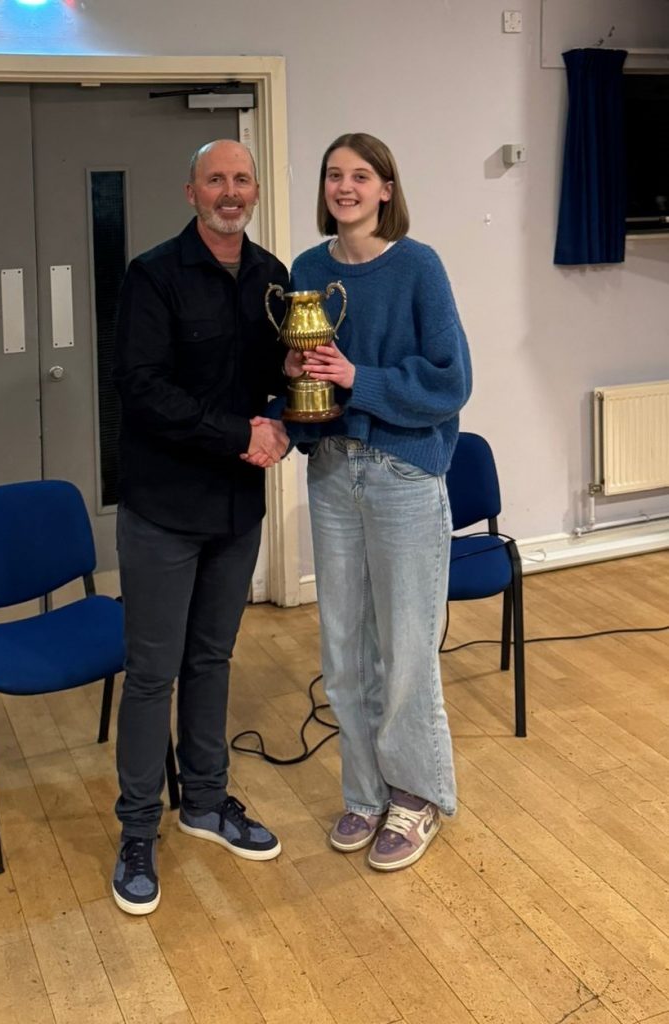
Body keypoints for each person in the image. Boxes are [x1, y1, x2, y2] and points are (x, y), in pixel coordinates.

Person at [111, 139, 290, 915]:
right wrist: (240, 435)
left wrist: (286, 422)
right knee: (153, 674)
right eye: (215, 179)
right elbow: (142, 390)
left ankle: (206, 803)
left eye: (241, 179)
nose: (230, 191)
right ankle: (137, 831)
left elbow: (289, 373)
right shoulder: (152, 275)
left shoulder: (274, 278)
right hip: (162, 508)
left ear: (253, 191)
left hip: (234, 507)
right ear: (191, 191)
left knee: (213, 659)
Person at [285, 132, 471, 871]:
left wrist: (358, 377)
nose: (345, 187)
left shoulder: (419, 267)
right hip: (332, 470)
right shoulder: (306, 268)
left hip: (401, 474)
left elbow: (450, 382)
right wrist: (296, 373)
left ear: (387, 189)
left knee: (406, 650)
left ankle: (418, 797)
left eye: (361, 175)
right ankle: (365, 791)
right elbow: (306, 377)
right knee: (342, 650)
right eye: (335, 175)